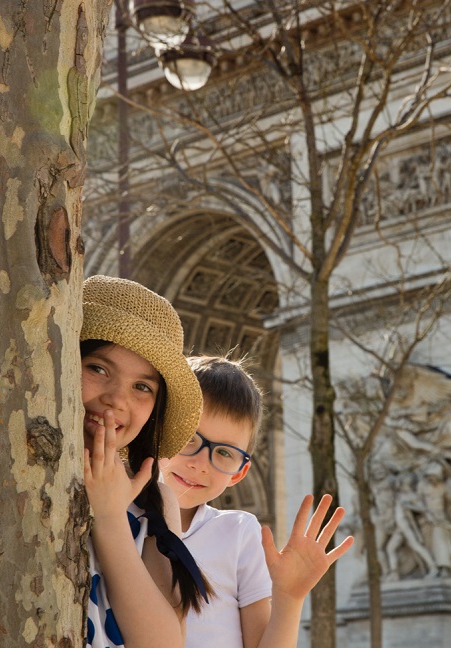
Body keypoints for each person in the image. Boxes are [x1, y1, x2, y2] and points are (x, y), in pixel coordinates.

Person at [159, 354, 354, 648]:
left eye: (224, 453)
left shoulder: (239, 533)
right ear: (158, 429)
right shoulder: (109, 516)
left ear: (239, 473)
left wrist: (290, 597)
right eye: (189, 438)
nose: (201, 464)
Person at [80, 275, 212, 648]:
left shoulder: (153, 501)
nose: (116, 400)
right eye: (98, 369)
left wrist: (109, 520)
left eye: (142, 387)